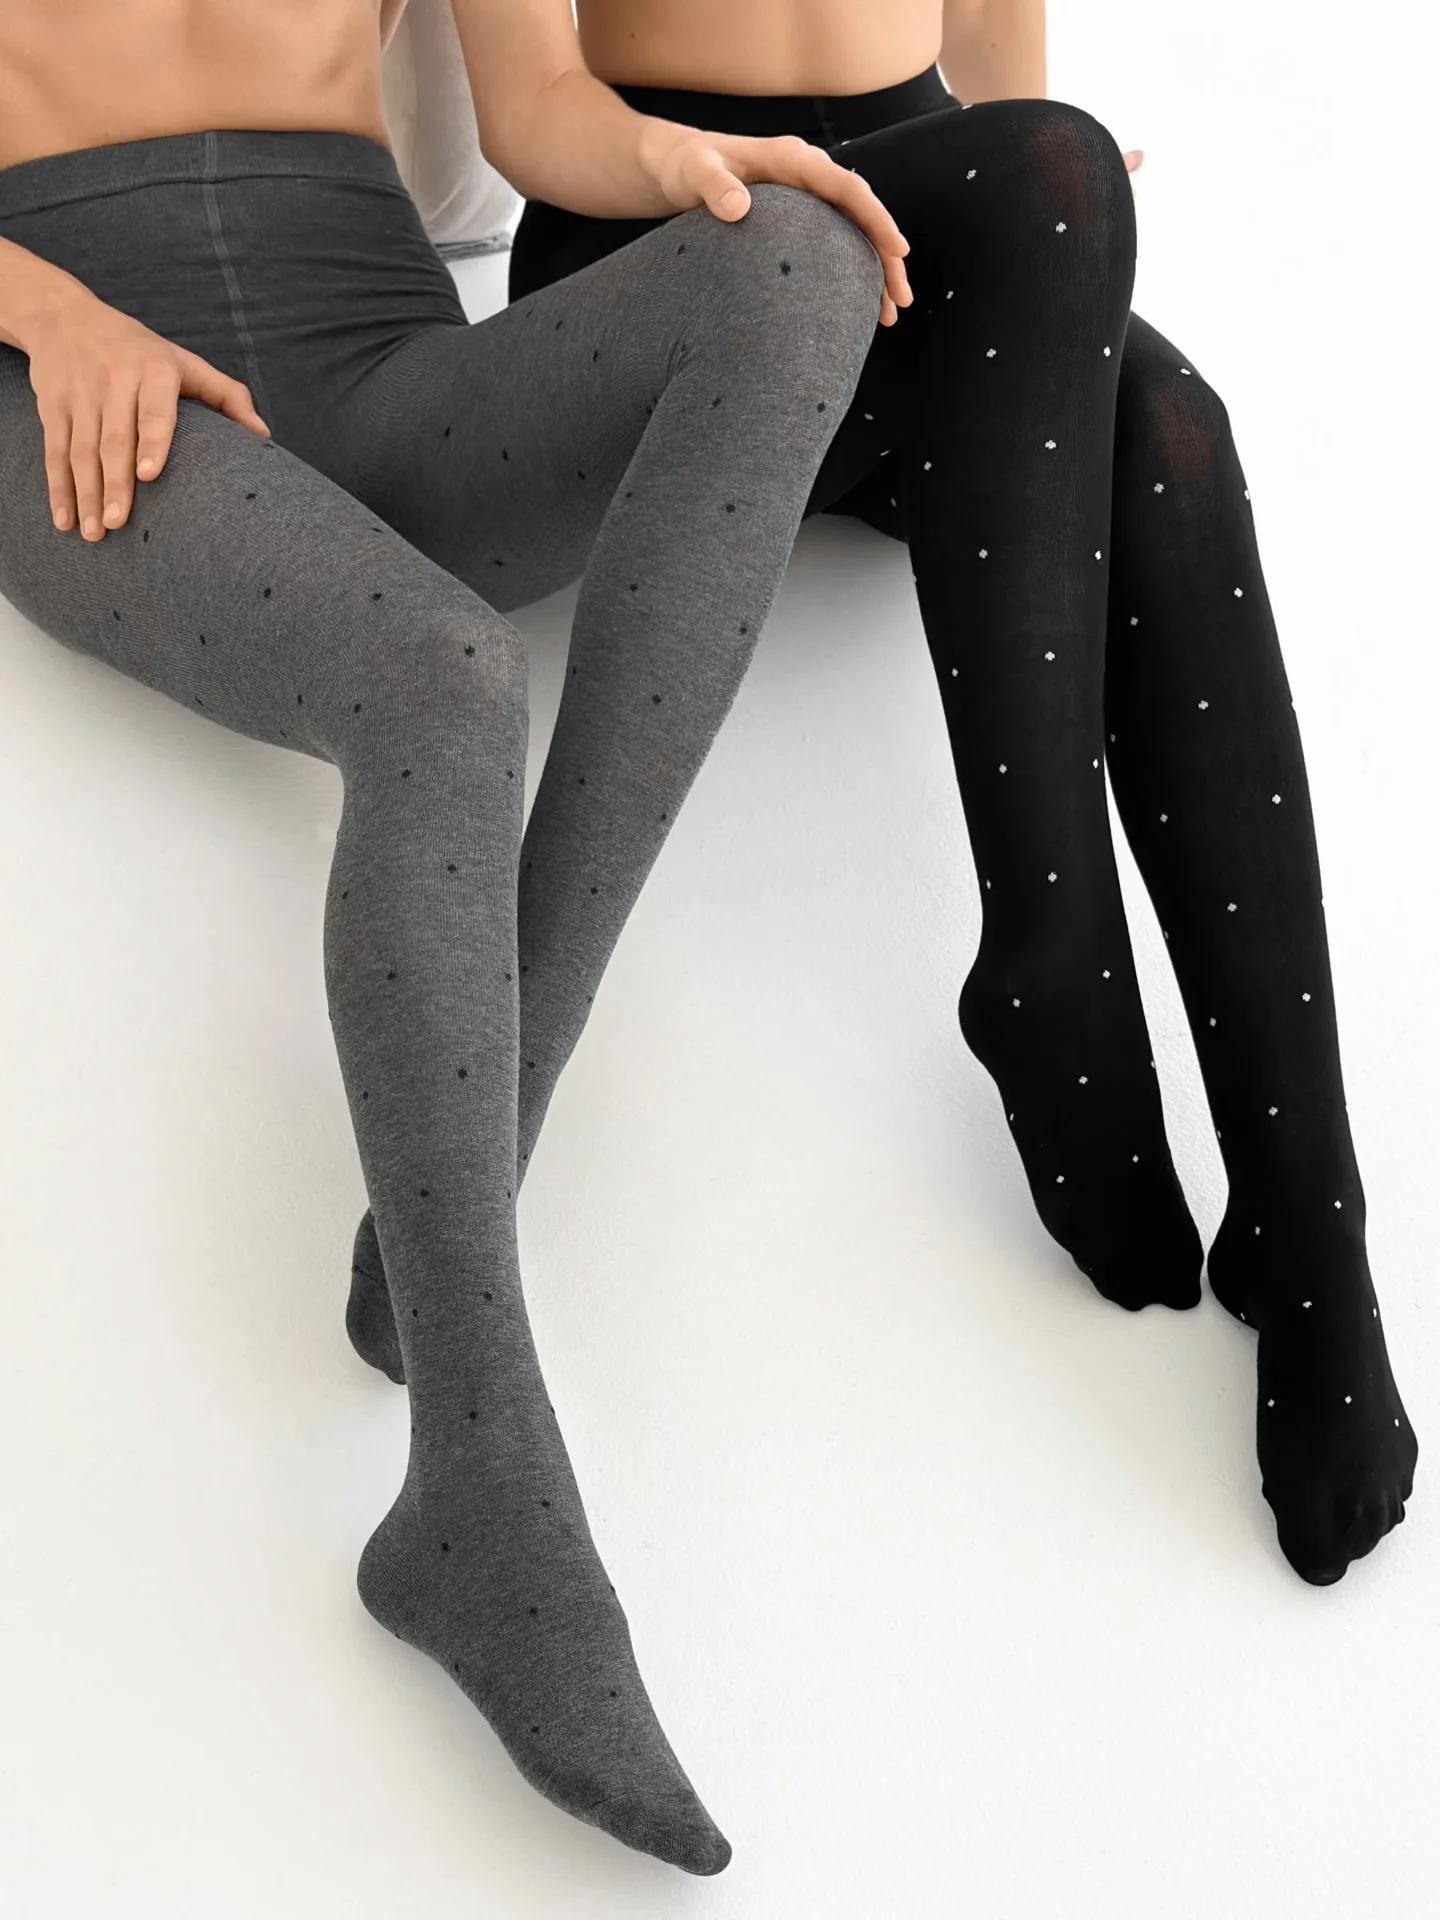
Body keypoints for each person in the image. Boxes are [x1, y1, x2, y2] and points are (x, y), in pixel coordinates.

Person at [0, 0, 1142, 1878]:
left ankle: (494, 1087)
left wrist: (685, 164)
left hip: (376, 350)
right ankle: (477, 1491)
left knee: (795, 256)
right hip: (88, 379)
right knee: (443, 685)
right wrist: (50, 316)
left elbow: (536, 108)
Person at [343, 0, 1419, 1594]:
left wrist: (1044, 247)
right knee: (1055, 185)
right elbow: (534, 107)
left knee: (1171, 424)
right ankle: (1055, 944)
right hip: (676, 223)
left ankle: (1308, 1223)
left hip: (940, 206)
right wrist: (704, 166)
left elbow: (989, 42)